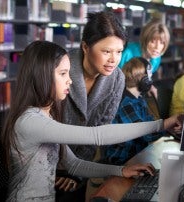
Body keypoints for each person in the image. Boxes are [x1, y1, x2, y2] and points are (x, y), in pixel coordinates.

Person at [1, 40, 181, 202]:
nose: (70, 81)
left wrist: (120, 171)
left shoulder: (46, 116)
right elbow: (97, 135)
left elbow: (74, 164)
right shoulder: (30, 122)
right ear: (42, 76)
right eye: (63, 73)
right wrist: (161, 124)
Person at [61, 11, 127, 201]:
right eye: (106, 51)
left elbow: (100, 130)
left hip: (81, 165)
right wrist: (63, 170)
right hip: (48, 161)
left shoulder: (117, 79)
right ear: (85, 47)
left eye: (119, 51)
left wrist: (77, 172)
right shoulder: (59, 69)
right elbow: (47, 125)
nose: (113, 59)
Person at [101, 57, 183, 165]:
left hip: (137, 153)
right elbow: (145, 134)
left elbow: (150, 124)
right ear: (145, 80)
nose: (151, 79)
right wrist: (169, 123)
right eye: (149, 76)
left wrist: (169, 129)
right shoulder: (126, 103)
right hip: (122, 160)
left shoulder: (138, 99)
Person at [118, 18, 171, 98]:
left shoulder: (156, 59)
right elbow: (117, 79)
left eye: (162, 43)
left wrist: (149, 86)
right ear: (145, 39)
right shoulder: (128, 52)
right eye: (153, 41)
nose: (157, 47)